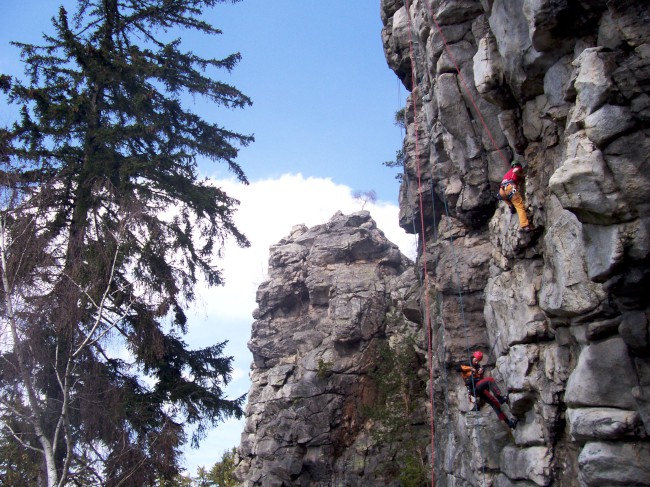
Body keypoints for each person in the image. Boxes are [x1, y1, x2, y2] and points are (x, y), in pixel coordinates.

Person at [456, 351, 518, 429]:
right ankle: (501, 398)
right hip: (474, 388)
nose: (476, 362)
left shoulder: (478, 367)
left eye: (478, 361)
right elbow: (457, 368)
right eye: (476, 360)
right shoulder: (466, 364)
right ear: (473, 357)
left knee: (494, 403)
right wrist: (471, 368)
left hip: (479, 388)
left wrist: (480, 372)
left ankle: (510, 423)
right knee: (489, 380)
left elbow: (479, 378)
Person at [499, 160, 534, 232]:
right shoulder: (518, 168)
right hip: (510, 187)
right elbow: (515, 171)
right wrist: (522, 176)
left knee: (509, 198)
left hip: (501, 191)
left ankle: (510, 205)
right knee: (519, 206)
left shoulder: (507, 173)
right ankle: (525, 225)